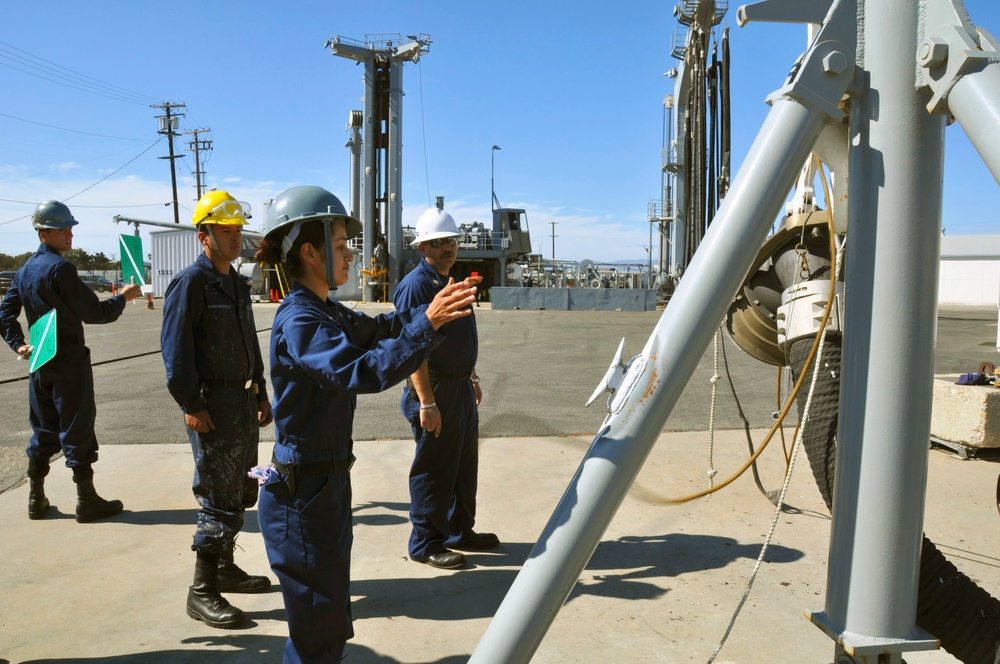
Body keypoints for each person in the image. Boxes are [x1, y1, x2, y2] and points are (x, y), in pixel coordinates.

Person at [254, 185, 479, 662]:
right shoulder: (301, 320)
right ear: (309, 253)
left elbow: (381, 330)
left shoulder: (326, 311)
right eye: (340, 246)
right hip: (303, 491)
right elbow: (360, 371)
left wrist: (429, 316)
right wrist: (428, 324)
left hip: (324, 482)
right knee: (317, 628)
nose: (352, 254)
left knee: (330, 619)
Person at [161, 190, 274, 629]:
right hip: (213, 405)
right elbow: (175, 353)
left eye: (237, 231)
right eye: (225, 232)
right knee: (216, 497)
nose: (235, 239)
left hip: (243, 403)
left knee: (243, 489)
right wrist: (191, 403)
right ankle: (202, 590)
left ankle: (225, 569)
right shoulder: (191, 283)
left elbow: (250, 343)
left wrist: (261, 393)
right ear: (203, 236)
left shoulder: (236, 283)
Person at [0, 200, 141, 522]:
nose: (69, 234)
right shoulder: (60, 268)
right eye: (62, 229)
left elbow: (5, 312)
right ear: (43, 233)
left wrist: (19, 344)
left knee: (43, 427)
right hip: (68, 358)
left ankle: (36, 498)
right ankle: (86, 500)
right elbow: (94, 314)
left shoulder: (25, 270)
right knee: (76, 425)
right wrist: (122, 297)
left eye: (70, 228)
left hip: (40, 358)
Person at [394, 206, 498, 569]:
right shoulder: (416, 287)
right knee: (435, 469)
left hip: (460, 389)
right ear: (422, 248)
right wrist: (426, 401)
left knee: (462, 467)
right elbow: (412, 350)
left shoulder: (448, 283)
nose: (447, 248)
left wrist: (471, 378)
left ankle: (458, 531)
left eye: (451, 241)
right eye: (437, 243)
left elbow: (455, 339)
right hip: (435, 392)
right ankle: (425, 542)